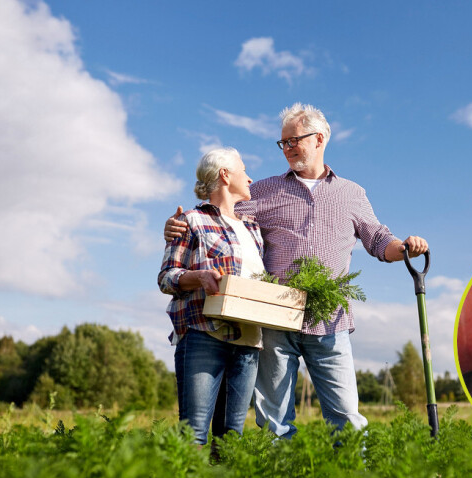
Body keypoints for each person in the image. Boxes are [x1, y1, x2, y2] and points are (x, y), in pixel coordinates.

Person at [164, 103, 428, 439]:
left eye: (293, 141)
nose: (287, 149)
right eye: (283, 143)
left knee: (346, 416)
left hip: (330, 318)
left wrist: (404, 248)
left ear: (319, 139)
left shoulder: (351, 193)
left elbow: (377, 239)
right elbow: (219, 214)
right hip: (276, 316)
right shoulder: (263, 190)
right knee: (274, 422)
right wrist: (177, 227)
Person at [158, 147, 265, 445]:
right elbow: (166, 277)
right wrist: (199, 277)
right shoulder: (191, 221)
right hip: (204, 334)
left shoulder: (254, 228)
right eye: (244, 170)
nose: (250, 177)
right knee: (194, 437)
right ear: (225, 174)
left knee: (230, 440)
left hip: (248, 341)